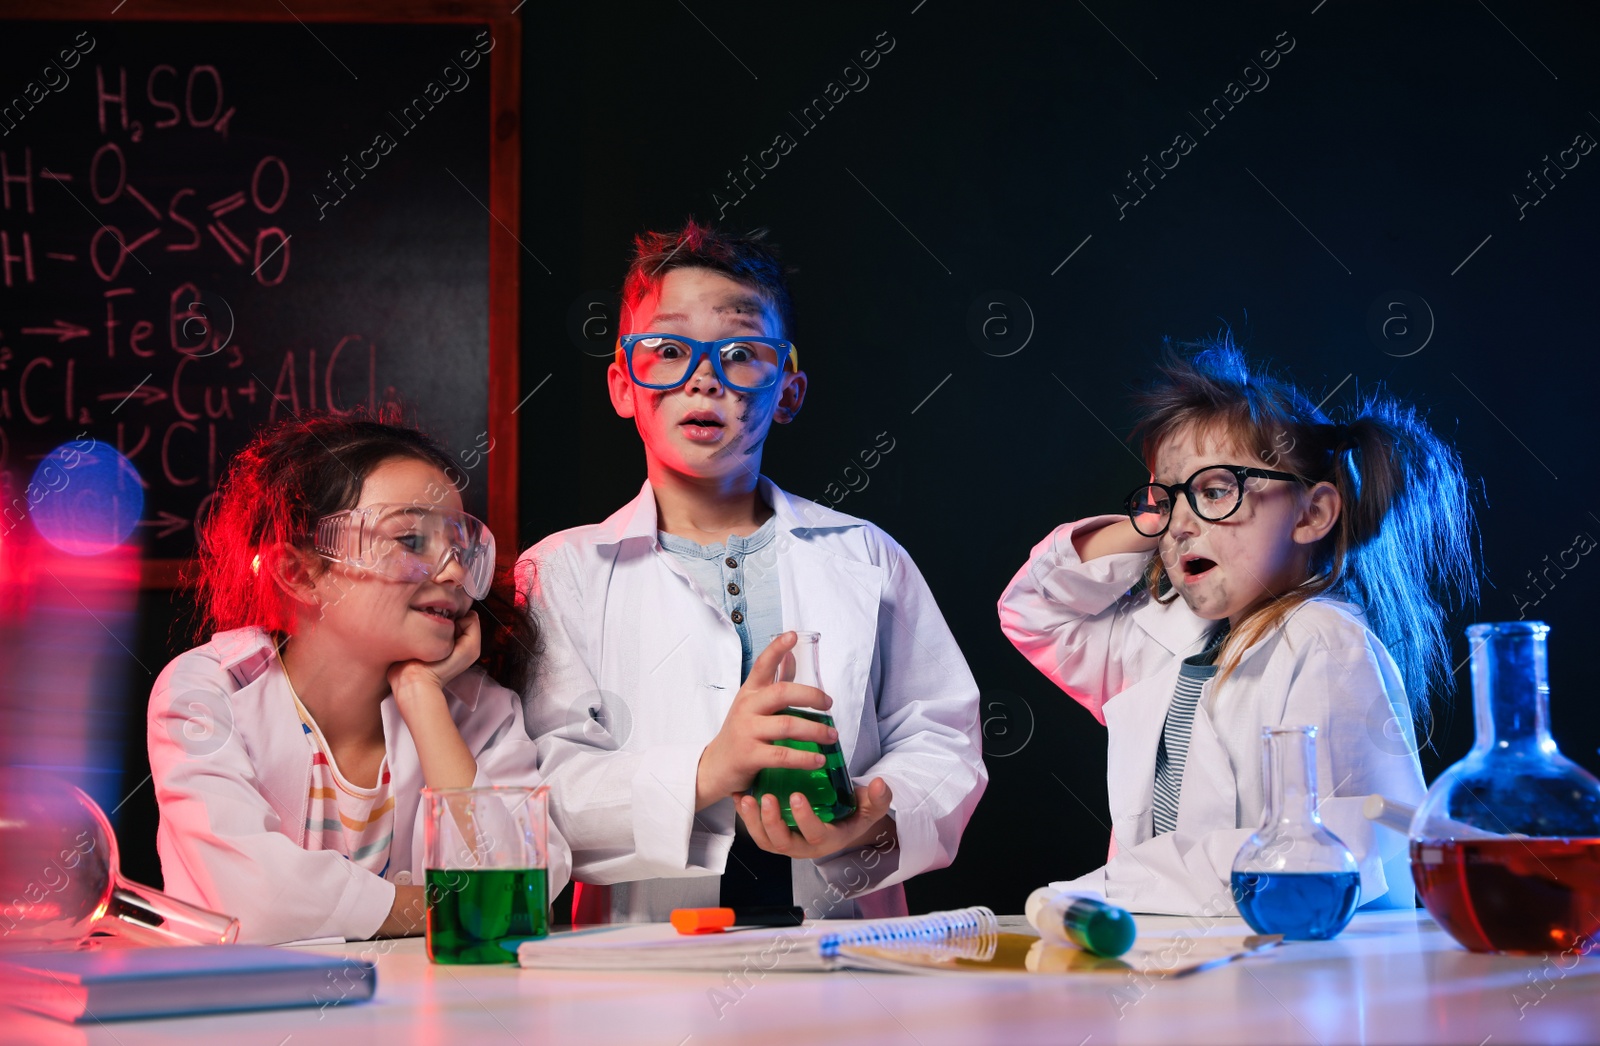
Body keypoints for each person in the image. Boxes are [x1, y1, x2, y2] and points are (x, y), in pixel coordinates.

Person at [518, 220, 986, 922]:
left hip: (843, 953)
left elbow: (941, 736)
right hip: (642, 975)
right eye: (668, 349)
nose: (703, 377)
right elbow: (542, 789)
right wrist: (707, 771)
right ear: (623, 384)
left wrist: (870, 823)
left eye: (741, 353)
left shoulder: (866, 556)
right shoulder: (561, 572)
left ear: (788, 391)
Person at [998, 336, 1477, 915]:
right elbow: (1033, 610)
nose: (1178, 527)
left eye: (1216, 491)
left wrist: (1111, 888)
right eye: (1166, 501)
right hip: (1168, 956)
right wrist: (1152, 521)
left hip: (1284, 972)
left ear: (1311, 513)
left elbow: (1318, 859)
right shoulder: (1163, 636)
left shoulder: (1323, 643)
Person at [148, 414, 568, 944]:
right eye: (411, 540)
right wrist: (444, 907)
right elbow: (254, 902)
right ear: (300, 574)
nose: (454, 572)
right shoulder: (210, 692)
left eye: (459, 547)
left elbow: (522, 890)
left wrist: (423, 701)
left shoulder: (482, 710)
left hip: (433, 1022)